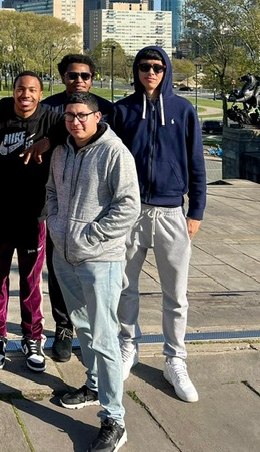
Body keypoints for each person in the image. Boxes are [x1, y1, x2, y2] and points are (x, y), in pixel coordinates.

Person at [46, 92, 140, 452]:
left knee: (104, 337)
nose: (75, 121)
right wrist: (56, 226)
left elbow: (128, 205)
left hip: (100, 258)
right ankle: (94, 383)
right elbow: (52, 191)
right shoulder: (61, 151)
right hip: (65, 256)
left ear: (97, 116)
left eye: (83, 115)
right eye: (70, 115)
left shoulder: (114, 153)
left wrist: (91, 236)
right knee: (83, 327)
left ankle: (114, 419)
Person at [112, 46, 206, 403]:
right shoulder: (124, 110)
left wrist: (195, 212)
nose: (150, 72)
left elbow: (196, 164)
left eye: (157, 67)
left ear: (166, 70)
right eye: (144, 67)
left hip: (170, 213)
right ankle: (127, 347)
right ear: (135, 71)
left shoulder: (183, 110)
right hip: (130, 212)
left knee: (176, 294)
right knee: (125, 287)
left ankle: (175, 358)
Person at [0, 71, 65, 373]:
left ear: (41, 93)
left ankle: (32, 336)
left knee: (31, 281)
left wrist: (46, 143)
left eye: (33, 90)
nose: (26, 95)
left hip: (33, 215)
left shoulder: (51, 118)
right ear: (13, 91)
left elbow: (78, 128)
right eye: (21, 89)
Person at [41, 53, 114, 362]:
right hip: (57, 198)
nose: (79, 80)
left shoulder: (104, 109)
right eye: (72, 75)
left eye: (85, 75)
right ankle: (63, 327)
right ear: (63, 78)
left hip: (92, 204)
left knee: (95, 277)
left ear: (92, 78)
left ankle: (101, 335)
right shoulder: (50, 108)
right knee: (58, 272)